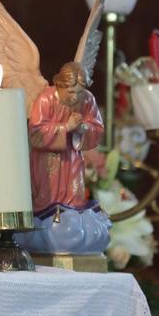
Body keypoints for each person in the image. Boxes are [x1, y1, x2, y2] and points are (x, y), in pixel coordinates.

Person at [27, 62, 104, 211]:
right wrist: (66, 127)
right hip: (47, 160)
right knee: (48, 204)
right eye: (71, 92)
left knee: (75, 200)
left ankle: (72, 225)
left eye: (79, 92)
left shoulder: (87, 99)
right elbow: (36, 132)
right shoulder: (45, 99)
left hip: (73, 157)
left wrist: (82, 128)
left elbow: (97, 128)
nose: (75, 97)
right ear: (60, 85)